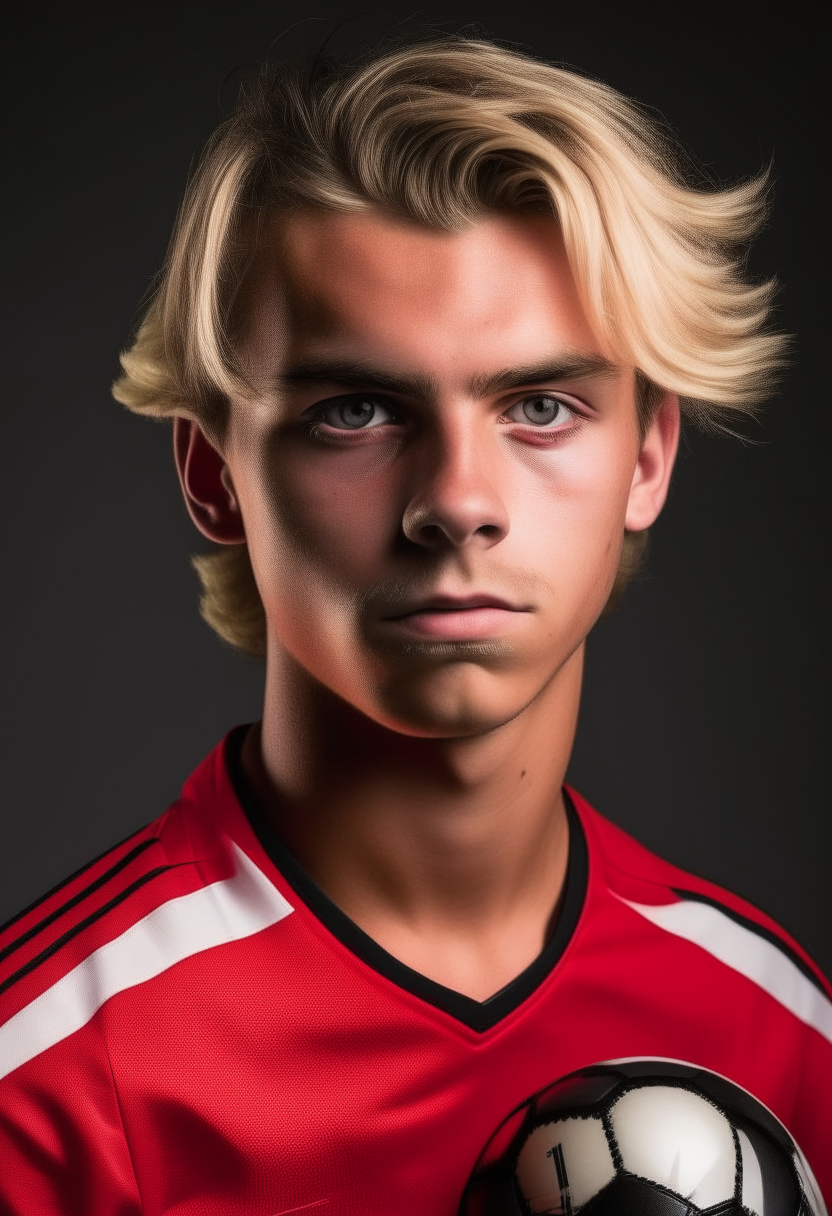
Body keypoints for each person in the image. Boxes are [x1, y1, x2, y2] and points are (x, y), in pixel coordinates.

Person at [1, 33, 829, 1215]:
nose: (456, 500)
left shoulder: (780, 1035)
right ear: (214, 475)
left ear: (648, 456)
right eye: (356, 411)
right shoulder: (47, 1082)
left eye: (540, 406)